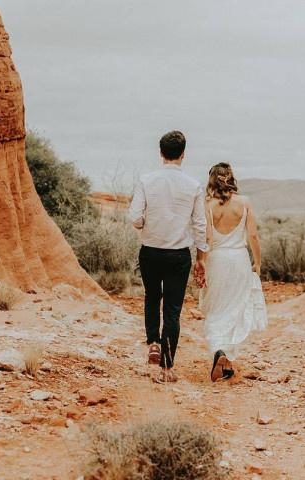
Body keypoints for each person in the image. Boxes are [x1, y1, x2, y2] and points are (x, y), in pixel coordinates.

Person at [128, 130, 208, 383]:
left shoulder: (146, 181)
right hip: (178, 254)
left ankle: (153, 342)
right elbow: (200, 225)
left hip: (150, 251)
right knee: (173, 310)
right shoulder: (194, 186)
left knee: (152, 297)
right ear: (183, 154)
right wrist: (201, 259)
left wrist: (143, 226)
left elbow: (135, 217)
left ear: (161, 153)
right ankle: (167, 368)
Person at [199, 162, 267, 381]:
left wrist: (200, 262)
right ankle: (225, 357)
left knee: (217, 308)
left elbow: (206, 238)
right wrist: (257, 262)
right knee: (235, 308)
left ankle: (220, 353)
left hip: (216, 260)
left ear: (212, 180)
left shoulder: (207, 205)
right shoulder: (244, 202)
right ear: (231, 178)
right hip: (238, 260)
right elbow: (253, 236)